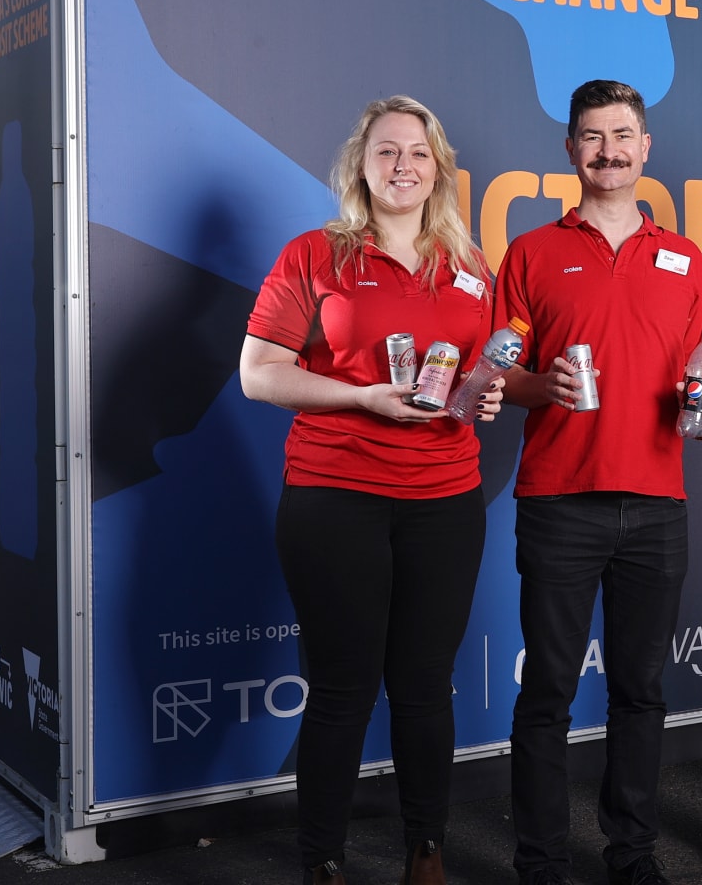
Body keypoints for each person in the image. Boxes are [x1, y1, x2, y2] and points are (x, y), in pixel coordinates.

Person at [240, 96, 501, 885]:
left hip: (446, 497)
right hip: (335, 494)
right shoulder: (314, 256)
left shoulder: (468, 266)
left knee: (424, 686)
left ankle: (427, 848)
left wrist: (483, 396)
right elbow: (258, 376)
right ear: (360, 164)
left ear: (439, 168)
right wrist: (360, 397)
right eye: (386, 152)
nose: (402, 167)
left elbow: (475, 377)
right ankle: (322, 858)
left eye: (418, 154)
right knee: (342, 688)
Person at [495, 80, 702, 885]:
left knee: (641, 692)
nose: (609, 151)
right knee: (548, 692)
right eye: (592, 137)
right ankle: (542, 860)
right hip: (557, 499)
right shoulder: (531, 252)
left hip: (658, 502)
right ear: (570, 150)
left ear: (645, 146)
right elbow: (501, 375)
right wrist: (538, 385)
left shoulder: (687, 259)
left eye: (623, 135)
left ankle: (632, 853)